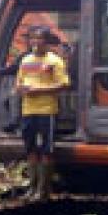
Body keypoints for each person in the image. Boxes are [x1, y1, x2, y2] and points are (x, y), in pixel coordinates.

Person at [15, 25, 70, 200]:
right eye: (33, 38)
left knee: (47, 149)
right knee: (30, 148)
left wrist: (39, 90)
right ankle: (32, 187)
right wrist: (21, 89)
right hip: (28, 110)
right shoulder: (25, 61)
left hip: (47, 110)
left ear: (46, 42)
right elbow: (18, 84)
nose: (36, 42)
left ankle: (43, 190)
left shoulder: (55, 61)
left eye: (39, 39)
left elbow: (63, 84)